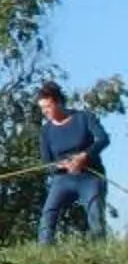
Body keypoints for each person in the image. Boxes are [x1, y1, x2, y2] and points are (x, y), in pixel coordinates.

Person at [37, 82, 109, 242]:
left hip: (90, 175)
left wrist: (84, 156)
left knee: (95, 211)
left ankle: (100, 248)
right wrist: (60, 165)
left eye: (48, 107)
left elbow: (103, 139)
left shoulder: (84, 118)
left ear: (58, 102)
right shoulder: (46, 131)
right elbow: (46, 162)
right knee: (48, 213)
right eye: (42, 108)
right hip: (63, 178)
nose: (45, 112)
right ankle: (43, 251)